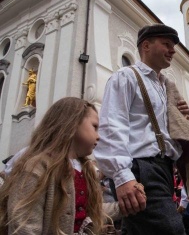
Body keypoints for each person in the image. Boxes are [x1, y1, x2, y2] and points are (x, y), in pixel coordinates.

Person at [94, 24, 189, 235]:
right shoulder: (126, 76)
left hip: (163, 169)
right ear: (146, 46)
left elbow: (162, 130)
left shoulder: (165, 86)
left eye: (173, 46)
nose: (173, 50)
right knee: (172, 230)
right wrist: (122, 177)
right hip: (141, 168)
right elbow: (112, 126)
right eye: (166, 44)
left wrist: (178, 116)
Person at [0, 97, 116, 234]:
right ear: (72, 123)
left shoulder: (86, 170)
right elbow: (25, 223)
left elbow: (92, 210)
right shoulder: (37, 168)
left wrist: (124, 206)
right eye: (94, 127)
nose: (99, 136)